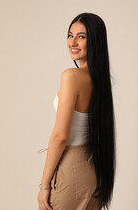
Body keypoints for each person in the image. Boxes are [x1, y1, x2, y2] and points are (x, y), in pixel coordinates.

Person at [37, 12, 116, 210]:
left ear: (95, 41)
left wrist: (44, 185)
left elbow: (60, 136)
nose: (72, 42)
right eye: (70, 35)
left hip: (70, 167)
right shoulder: (100, 80)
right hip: (93, 166)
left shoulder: (71, 76)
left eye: (81, 37)